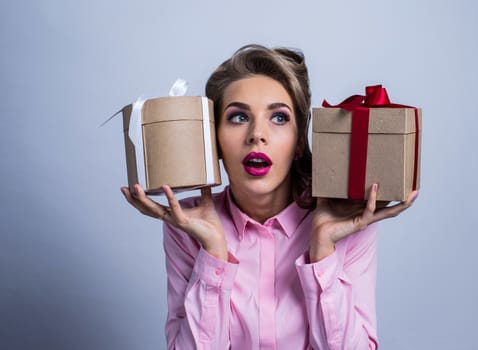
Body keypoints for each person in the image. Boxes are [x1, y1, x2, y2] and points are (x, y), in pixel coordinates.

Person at [121, 44, 418, 350]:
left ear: (299, 142)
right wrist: (213, 253)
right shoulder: (186, 224)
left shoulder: (349, 222)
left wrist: (323, 251)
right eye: (238, 117)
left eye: (278, 118)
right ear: (214, 142)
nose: (256, 134)